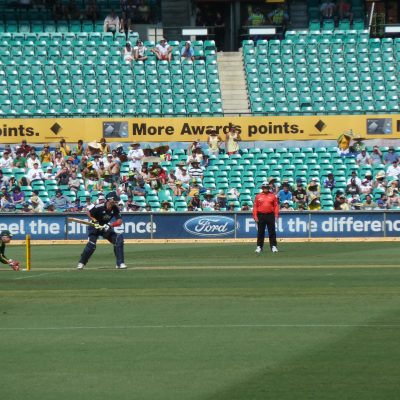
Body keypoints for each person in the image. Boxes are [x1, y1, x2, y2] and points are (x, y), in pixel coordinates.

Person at [77, 191, 126, 270]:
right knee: (92, 245)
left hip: (104, 227)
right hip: (94, 227)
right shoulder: (99, 206)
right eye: (115, 201)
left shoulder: (115, 208)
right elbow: (88, 213)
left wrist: (110, 225)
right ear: (110, 200)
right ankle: (81, 263)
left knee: (118, 239)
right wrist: (95, 221)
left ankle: (120, 263)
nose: (116, 202)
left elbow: (119, 221)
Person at [253, 182, 279, 254]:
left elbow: (276, 206)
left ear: (268, 188)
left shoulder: (273, 196)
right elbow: (255, 207)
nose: (265, 189)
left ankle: (273, 246)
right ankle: (259, 247)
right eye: (264, 187)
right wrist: (255, 216)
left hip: (270, 215)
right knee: (260, 232)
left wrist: (276, 215)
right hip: (261, 215)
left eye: (266, 187)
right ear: (262, 188)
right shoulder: (258, 196)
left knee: (272, 231)